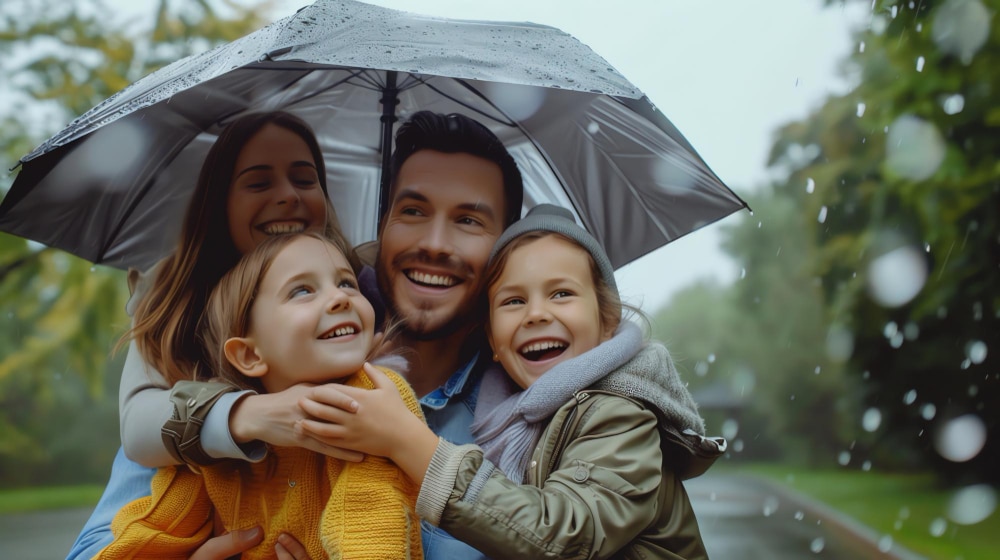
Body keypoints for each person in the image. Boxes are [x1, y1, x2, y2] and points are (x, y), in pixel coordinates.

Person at [69, 110, 524, 560]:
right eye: (412, 211)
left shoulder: (523, 416)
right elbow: (116, 538)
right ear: (384, 226)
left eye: (469, 221)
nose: (434, 244)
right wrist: (243, 416)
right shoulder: (194, 387)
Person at [302, 204, 726, 559]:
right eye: (514, 301)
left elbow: (563, 537)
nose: (537, 313)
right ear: (492, 338)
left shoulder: (619, 413)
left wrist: (410, 443)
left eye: (561, 293)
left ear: (607, 320)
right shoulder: (503, 421)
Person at [68, 111, 364, 560]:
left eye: (305, 180)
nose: (287, 195)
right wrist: (247, 414)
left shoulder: (360, 298)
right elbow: (138, 429)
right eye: (258, 183)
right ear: (219, 202)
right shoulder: (177, 310)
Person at [96, 232, 424, 559]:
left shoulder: (371, 397)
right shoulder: (218, 437)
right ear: (250, 356)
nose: (341, 298)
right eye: (302, 290)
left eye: (347, 283)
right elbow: (153, 531)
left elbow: (373, 520)